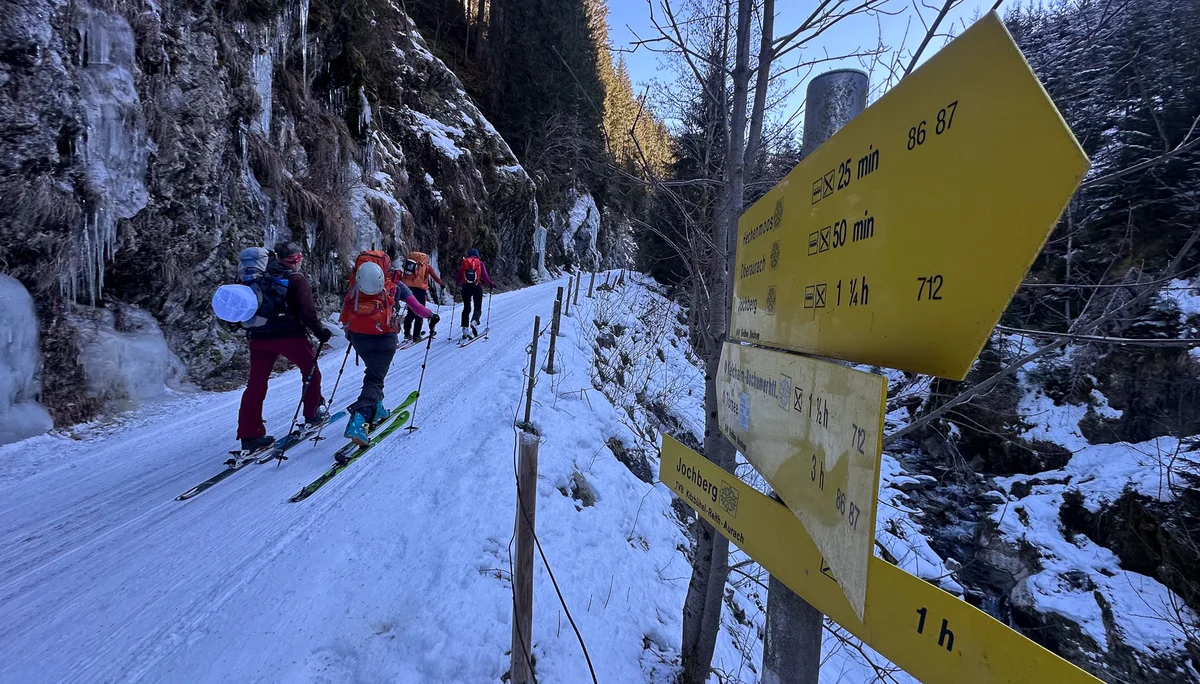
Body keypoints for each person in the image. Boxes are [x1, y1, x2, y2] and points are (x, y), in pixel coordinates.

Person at [236, 241, 332, 452]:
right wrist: (320, 333)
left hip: (259, 338)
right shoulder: (296, 279)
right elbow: (308, 313)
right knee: (311, 372)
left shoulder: (256, 279)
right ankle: (312, 413)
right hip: (289, 335)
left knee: (256, 384)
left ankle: (249, 434)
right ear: (296, 260)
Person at [339, 249, 440, 447]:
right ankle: (360, 419)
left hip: (358, 338)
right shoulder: (396, 285)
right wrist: (431, 315)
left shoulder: (356, 284)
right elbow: (417, 308)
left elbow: (346, 309)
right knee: (375, 379)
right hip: (384, 339)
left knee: (374, 371)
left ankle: (377, 407)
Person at [399, 250, 444, 342]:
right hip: (420, 290)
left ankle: (407, 333)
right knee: (419, 311)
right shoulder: (426, 266)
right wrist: (441, 284)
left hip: (408, 289)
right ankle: (416, 335)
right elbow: (435, 277)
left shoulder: (410, 265)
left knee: (411, 311)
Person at [456, 247, 494, 340]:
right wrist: (491, 284)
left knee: (466, 308)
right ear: (477, 255)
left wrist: (457, 284)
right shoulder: (480, 263)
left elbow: (459, 275)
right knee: (477, 308)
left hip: (465, 287)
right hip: (477, 287)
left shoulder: (465, 263)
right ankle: (474, 322)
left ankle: (465, 329)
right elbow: (485, 276)